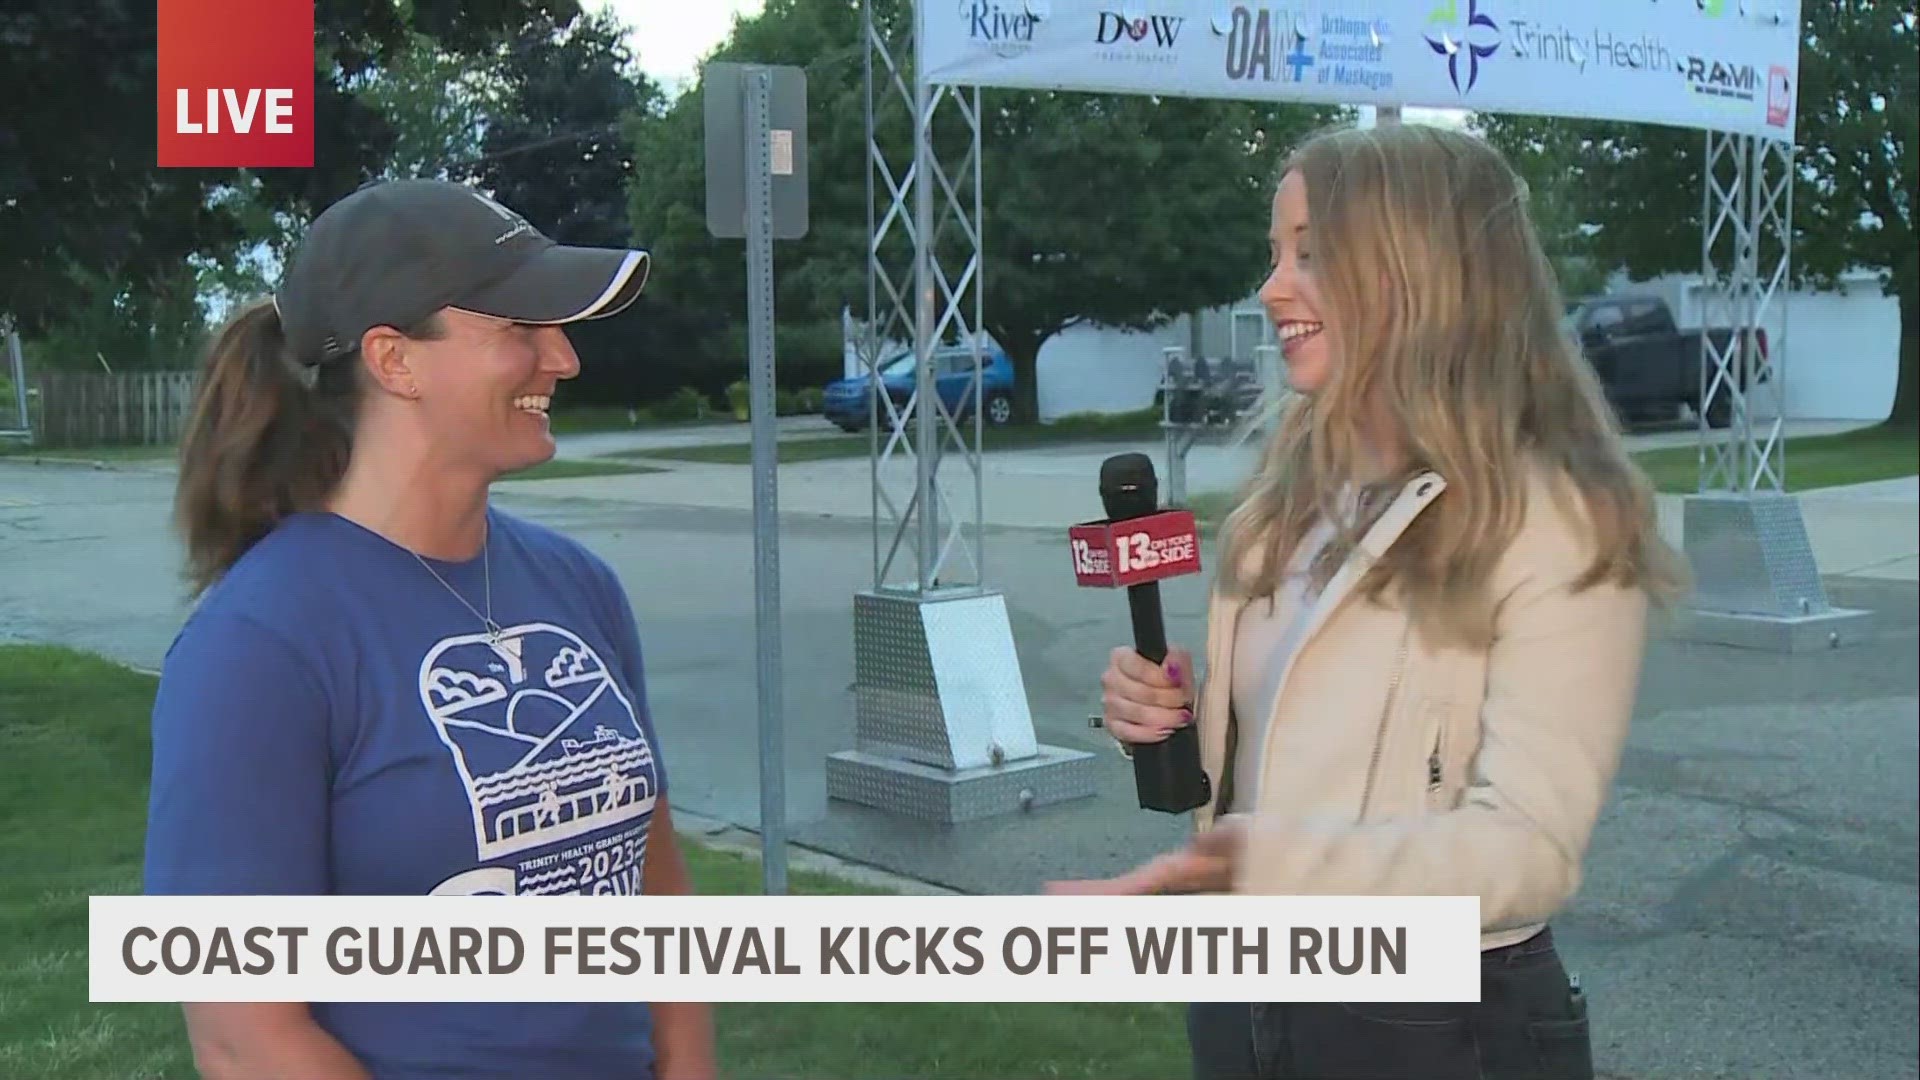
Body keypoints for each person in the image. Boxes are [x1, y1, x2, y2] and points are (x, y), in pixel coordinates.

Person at [1053, 123, 1687, 1079]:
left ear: (1418, 269)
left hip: (1435, 1023)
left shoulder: (1561, 516)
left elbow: (1528, 852)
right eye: (1275, 254)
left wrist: (1271, 865)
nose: (1271, 288)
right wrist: (1165, 718)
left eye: (1311, 255)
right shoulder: (1287, 500)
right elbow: (1285, 758)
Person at [142, 179, 716, 1080]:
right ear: (395, 360)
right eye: (521, 329)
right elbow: (241, 1031)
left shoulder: (578, 586)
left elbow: (652, 884)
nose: (563, 357)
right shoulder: (260, 648)